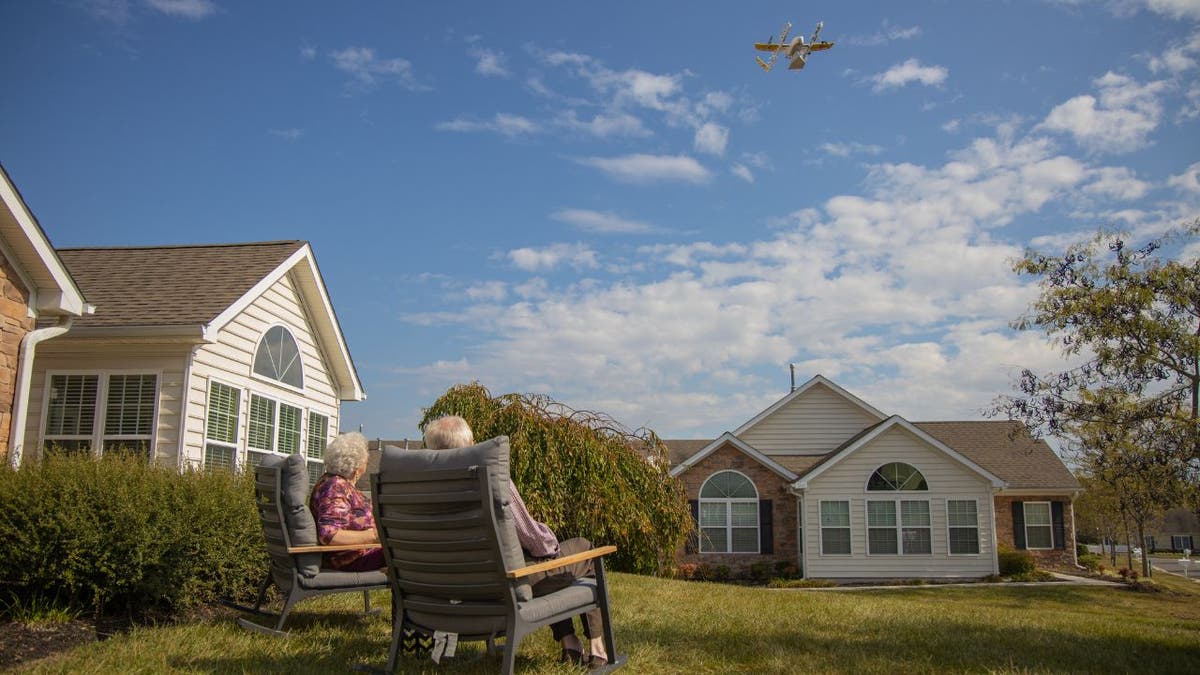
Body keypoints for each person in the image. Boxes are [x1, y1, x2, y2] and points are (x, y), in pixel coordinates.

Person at [422, 415, 610, 670]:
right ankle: (598, 649)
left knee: (543, 563)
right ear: (471, 444)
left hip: (459, 592)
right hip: (507, 586)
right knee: (584, 549)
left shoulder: (421, 490)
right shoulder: (491, 479)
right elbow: (536, 540)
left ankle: (571, 644)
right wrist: (551, 542)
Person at [308, 431, 384, 572]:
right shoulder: (335, 486)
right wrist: (374, 535)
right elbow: (329, 535)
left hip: (357, 555)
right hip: (350, 559)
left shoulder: (332, 482)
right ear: (358, 468)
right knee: (409, 551)